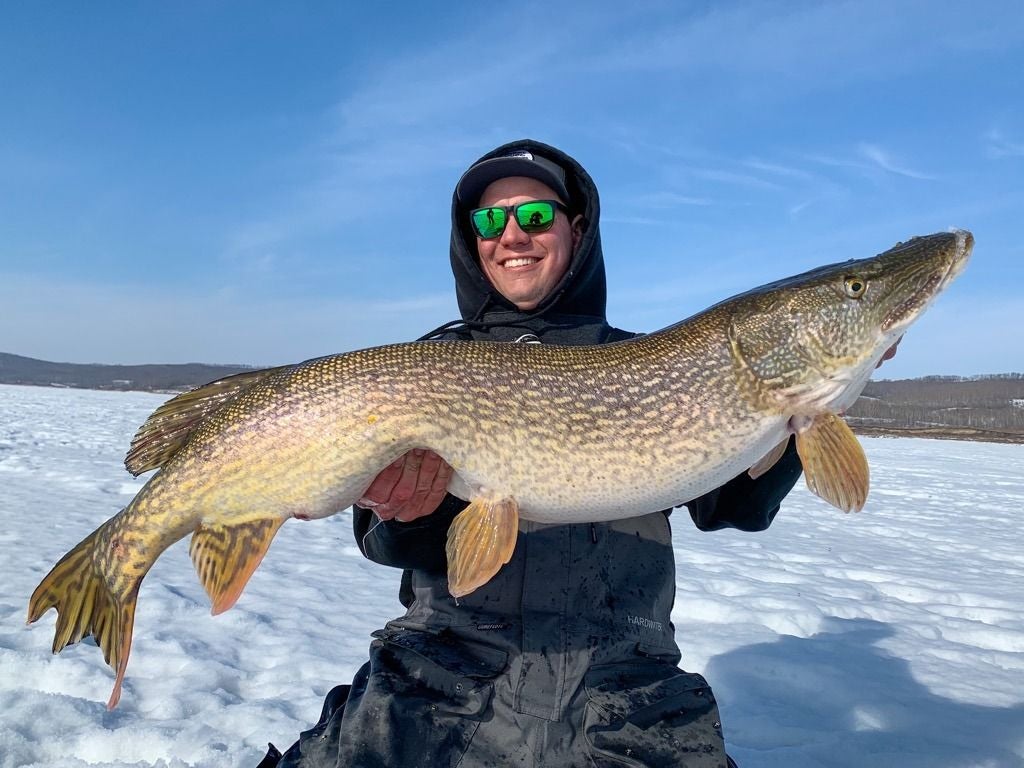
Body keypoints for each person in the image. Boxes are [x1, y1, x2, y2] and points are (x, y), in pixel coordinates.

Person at [263, 140, 806, 767]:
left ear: (577, 230)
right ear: (473, 243)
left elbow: (732, 507)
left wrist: (797, 416)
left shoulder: (654, 362)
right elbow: (380, 541)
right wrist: (408, 512)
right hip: (440, 673)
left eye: (536, 217)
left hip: (621, 684)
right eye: (491, 221)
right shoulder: (427, 365)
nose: (513, 235)